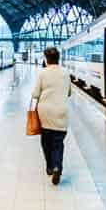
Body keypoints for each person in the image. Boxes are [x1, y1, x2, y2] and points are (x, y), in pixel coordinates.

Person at [30, 47, 71, 185]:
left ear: (46, 59)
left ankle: (49, 166)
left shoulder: (42, 73)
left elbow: (35, 94)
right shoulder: (66, 72)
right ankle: (57, 166)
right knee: (58, 143)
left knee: (46, 141)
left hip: (45, 112)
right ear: (58, 58)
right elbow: (69, 92)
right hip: (61, 111)